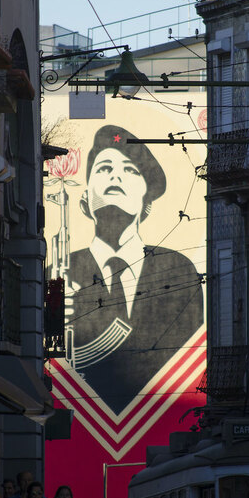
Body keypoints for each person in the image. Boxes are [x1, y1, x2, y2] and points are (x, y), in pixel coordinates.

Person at [65, 125, 204, 414]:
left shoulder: (179, 268)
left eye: (130, 170)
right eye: (103, 168)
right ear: (86, 196)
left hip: (159, 413)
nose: (115, 175)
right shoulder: (62, 269)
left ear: (146, 201)